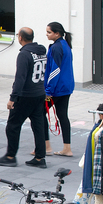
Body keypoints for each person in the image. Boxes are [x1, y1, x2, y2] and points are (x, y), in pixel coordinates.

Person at [0, 27, 48, 168]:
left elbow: (20, 78)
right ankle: (40, 158)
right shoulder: (41, 52)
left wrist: (13, 98)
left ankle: (10, 156)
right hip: (39, 93)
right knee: (39, 127)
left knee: (13, 126)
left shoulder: (24, 54)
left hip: (25, 95)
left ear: (20, 38)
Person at [43, 21, 75, 157]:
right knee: (63, 116)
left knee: (39, 114)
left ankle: (46, 146)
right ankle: (67, 148)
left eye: (49, 32)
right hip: (66, 87)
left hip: (56, 89)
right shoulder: (65, 45)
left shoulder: (56, 48)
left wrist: (48, 92)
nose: (47, 34)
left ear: (57, 33)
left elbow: (54, 71)